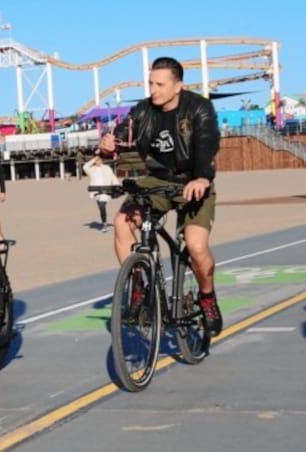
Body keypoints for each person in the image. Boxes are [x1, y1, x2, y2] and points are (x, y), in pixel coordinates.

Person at [98, 56, 223, 336]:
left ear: (178, 85)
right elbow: (122, 136)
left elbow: (206, 142)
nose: (154, 90)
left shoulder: (199, 108)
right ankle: (140, 285)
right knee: (122, 223)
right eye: (151, 83)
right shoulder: (143, 110)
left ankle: (206, 297)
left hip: (194, 180)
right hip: (156, 180)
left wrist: (202, 176)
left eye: (160, 84)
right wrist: (108, 146)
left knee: (196, 247)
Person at [82, 155, 120, 232]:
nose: (97, 162)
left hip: (106, 189)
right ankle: (104, 222)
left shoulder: (107, 168)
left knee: (102, 205)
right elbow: (85, 167)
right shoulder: (91, 169)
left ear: (102, 160)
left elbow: (112, 177)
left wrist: (117, 186)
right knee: (101, 207)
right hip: (96, 190)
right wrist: (93, 159)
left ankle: (104, 224)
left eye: (99, 160)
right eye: (96, 160)